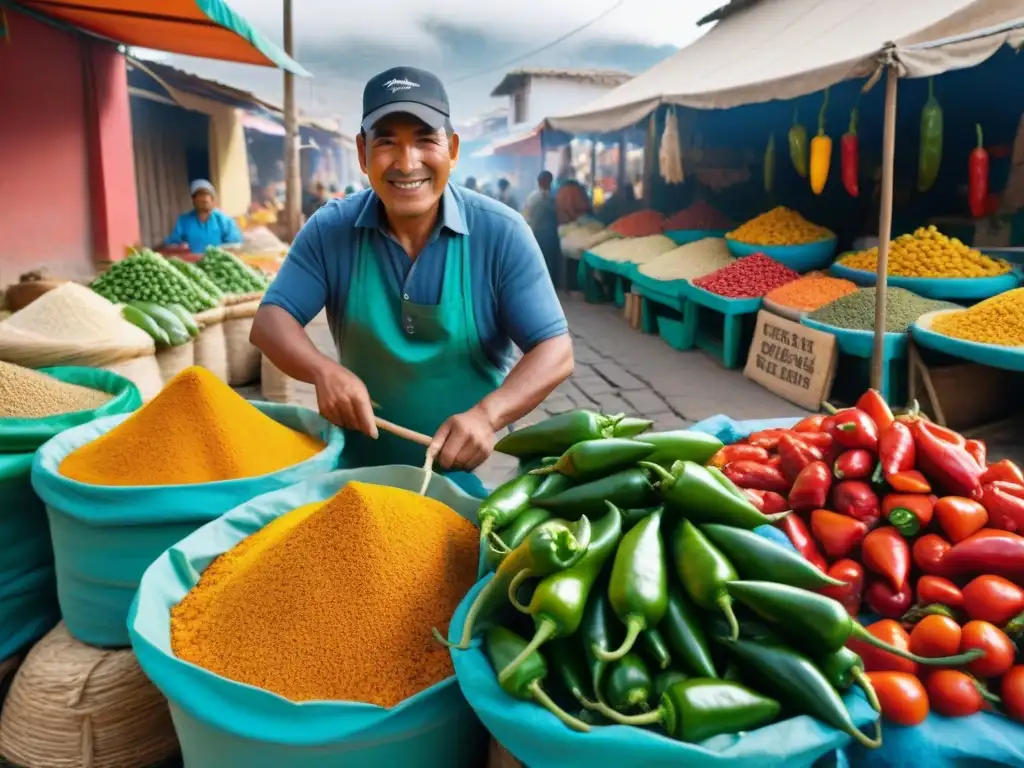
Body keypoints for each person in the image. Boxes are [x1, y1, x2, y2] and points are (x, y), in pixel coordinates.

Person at [250, 66, 573, 498]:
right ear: (363, 153)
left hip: (465, 478)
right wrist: (322, 370)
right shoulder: (331, 229)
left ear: (452, 149)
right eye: (387, 142)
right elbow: (271, 321)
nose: (407, 163)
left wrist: (486, 415)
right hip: (356, 477)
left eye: (425, 140)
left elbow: (555, 350)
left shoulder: (501, 232)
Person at [165, 180, 242, 253]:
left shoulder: (224, 220)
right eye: (201, 195)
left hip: (219, 263)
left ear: (213, 200)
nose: (205, 199)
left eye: (208, 196)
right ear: (193, 200)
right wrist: (180, 248)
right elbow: (173, 244)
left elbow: (235, 245)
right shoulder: (184, 221)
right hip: (192, 263)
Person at [523, 171, 561, 288]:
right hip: (549, 234)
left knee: (539, 261)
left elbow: (527, 215)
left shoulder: (532, 196)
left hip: (536, 233)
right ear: (549, 182)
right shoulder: (551, 197)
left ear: (538, 182)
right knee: (549, 261)